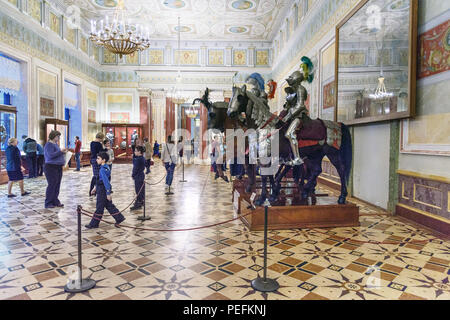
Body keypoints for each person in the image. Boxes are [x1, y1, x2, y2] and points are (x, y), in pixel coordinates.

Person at [85, 152, 125, 229]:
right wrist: (95, 188)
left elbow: (106, 182)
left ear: (103, 160)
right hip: (100, 188)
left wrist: (108, 193)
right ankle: (119, 218)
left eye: (98, 158)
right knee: (109, 205)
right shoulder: (106, 167)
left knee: (99, 208)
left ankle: (94, 224)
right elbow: (100, 180)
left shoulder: (102, 170)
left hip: (102, 190)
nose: (96, 160)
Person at [43, 130, 67, 209]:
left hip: (57, 166)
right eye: (58, 136)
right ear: (53, 136)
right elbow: (50, 155)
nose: (59, 138)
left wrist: (63, 153)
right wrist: (60, 151)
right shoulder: (49, 145)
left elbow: (57, 154)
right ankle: (48, 202)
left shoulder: (55, 144)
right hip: (51, 167)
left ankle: (55, 201)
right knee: (52, 184)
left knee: (57, 184)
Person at [131, 145, 146, 210]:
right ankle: (141, 201)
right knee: (141, 189)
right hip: (141, 174)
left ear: (139, 152)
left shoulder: (138, 159)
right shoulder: (142, 158)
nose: (134, 152)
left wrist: (133, 175)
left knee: (138, 190)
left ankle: (139, 203)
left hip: (138, 175)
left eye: (135, 151)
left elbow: (135, 168)